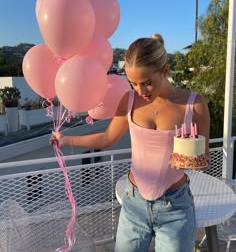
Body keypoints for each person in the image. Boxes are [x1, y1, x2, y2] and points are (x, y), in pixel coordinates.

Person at [51, 38, 210, 252]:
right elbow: (107, 138)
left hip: (176, 208)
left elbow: (203, 159)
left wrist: (193, 157)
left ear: (165, 71)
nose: (140, 90)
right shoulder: (129, 100)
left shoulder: (194, 104)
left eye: (147, 82)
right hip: (134, 204)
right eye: (133, 83)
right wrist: (66, 140)